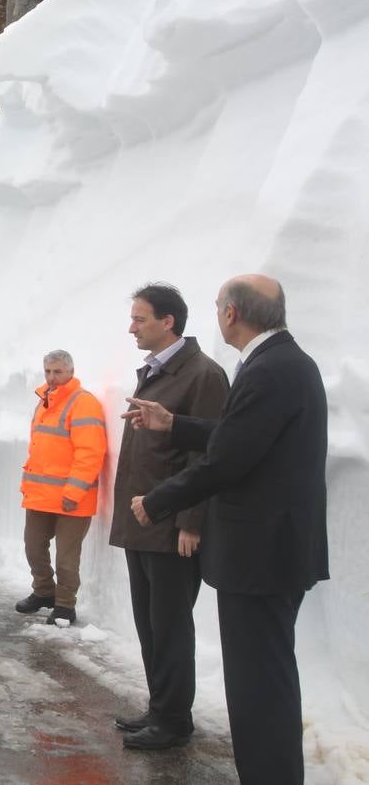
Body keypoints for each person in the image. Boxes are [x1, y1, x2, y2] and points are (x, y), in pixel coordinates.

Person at [128, 275, 328, 784]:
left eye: (218, 305)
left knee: (259, 688)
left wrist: (158, 500)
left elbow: (225, 461)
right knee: (264, 681)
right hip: (271, 552)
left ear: (232, 314)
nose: (216, 313)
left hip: (260, 556)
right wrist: (173, 424)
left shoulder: (270, 369)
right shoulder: (281, 363)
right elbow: (238, 436)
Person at [109, 284, 229, 751]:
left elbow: (211, 456)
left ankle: (175, 719)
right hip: (143, 521)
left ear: (168, 322)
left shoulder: (203, 375)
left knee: (171, 624)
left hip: (171, 525)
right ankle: (160, 708)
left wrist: (191, 520)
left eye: (140, 319)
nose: (132, 327)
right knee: (150, 623)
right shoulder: (157, 372)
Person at [16, 350, 107, 625]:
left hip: (71, 498)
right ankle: (44, 592)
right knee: (33, 547)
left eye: (58, 372)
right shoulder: (44, 402)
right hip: (41, 495)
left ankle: (65, 606)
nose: (52, 377)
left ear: (70, 371)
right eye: (48, 372)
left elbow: (90, 453)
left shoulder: (84, 403)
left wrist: (74, 492)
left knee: (67, 557)